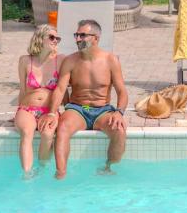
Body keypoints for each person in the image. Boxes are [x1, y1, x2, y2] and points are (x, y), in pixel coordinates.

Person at [38, 19, 128, 179]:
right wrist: (52, 113)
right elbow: (60, 89)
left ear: (96, 38)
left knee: (119, 130)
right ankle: (60, 173)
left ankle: (108, 168)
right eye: (76, 35)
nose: (77, 39)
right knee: (63, 127)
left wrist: (119, 112)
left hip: (102, 110)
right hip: (79, 109)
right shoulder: (70, 60)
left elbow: (122, 91)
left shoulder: (110, 60)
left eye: (82, 35)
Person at [15, 24, 66, 177]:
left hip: (49, 110)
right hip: (27, 108)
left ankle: (41, 168)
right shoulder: (25, 61)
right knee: (26, 132)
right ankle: (26, 174)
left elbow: (63, 88)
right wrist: (18, 111)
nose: (55, 40)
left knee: (48, 134)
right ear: (40, 38)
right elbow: (23, 89)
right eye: (51, 37)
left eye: (58, 38)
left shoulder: (60, 60)